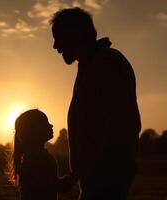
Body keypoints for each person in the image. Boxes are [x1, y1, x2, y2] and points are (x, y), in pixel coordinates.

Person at [50, 7, 142, 200]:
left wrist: (99, 173)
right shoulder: (91, 64)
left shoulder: (106, 63)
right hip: (99, 175)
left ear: (75, 34)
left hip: (106, 176)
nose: (55, 46)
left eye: (59, 37)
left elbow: (121, 124)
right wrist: (77, 174)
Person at [7, 109, 77, 200]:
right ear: (35, 130)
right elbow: (52, 187)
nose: (51, 125)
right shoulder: (39, 159)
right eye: (46, 123)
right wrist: (74, 177)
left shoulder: (31, 157)